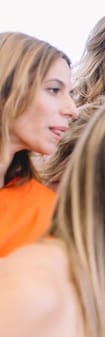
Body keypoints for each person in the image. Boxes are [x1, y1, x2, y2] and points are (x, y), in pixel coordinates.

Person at [0, 32, 76, 257]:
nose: (72, 110)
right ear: (6, 89)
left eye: (70, 94)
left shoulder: (45, 209)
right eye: (53, 90)